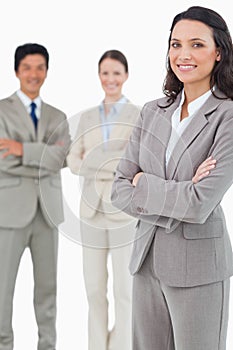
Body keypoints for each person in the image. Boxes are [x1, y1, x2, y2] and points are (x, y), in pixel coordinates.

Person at [111, 6, 233, 350]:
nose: (183, 55)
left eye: (196, 44)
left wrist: (143, 185)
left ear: (219, 51)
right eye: (176, 44)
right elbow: (118, 190)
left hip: (197, 270)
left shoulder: (228, 115)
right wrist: (179, 189)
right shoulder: (152, 111)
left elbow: (199, 205)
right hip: (146, 261)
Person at [67, 50, 140, 350]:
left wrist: (94, 161)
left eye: (116, 73)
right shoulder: (86, 117)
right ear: (99, 76)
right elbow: (72, 160)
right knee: (94, 290)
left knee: (125, 290)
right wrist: (112, 159)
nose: (110, 79)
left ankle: (121, 345)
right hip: (91, 212)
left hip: (123, 211)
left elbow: (135, 162)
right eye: (105, 73)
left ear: (126, 75)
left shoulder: (138, 115)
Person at [0, 43, 71, 350]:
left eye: (40, 67)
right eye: (27, 67)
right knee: (2, 289)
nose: (34, 74)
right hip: (10, 212)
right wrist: (44, 159)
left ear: (47, 71)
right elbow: (3, 160)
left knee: (48, 289)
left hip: (48, 212)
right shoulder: (1, 110)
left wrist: (21, 150)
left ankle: (47, 345)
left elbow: (62, 159)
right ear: (17, 71)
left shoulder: (58, 116)